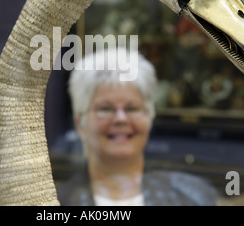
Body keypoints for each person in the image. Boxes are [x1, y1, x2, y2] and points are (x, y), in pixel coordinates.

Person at [56, 47, 218, 206]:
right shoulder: (53, 204)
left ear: (149, 117)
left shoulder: (194, 196)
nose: (121, 119)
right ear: (80, 125)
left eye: (132, 108)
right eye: (105, 108)